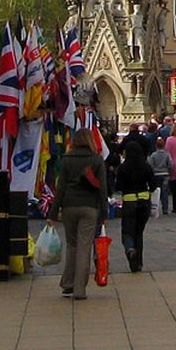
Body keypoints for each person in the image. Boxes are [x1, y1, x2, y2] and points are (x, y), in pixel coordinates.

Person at [47, 127, 107, 299]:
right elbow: (102, 189)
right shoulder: (96, 160)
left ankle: (68, 284)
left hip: (69, 206)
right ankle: (79, 289)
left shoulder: (66, 160)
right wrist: (104, 214)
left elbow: (60, 188)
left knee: (72, 246)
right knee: (84, 248)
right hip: (89, 207)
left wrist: (52, 213)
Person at [115, 141, 154, 272]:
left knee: (127, 231)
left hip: (129, 200)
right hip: (144, 200)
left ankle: (130, 249)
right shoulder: (146, 166)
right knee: (139, 232)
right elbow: (153, 184)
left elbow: (118, 186)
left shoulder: (123, 167)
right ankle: (138, 264)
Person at [148, 137, 173, 214]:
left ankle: (154, 208)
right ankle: (165, 208)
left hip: (156, 174)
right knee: (164, 192)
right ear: (164, 145)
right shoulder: (167, 154)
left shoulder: (153, 155)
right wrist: (169, 171)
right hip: (165, 174)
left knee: (155, 192)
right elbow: (170, 165)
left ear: (156, 146)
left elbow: (150, 165)